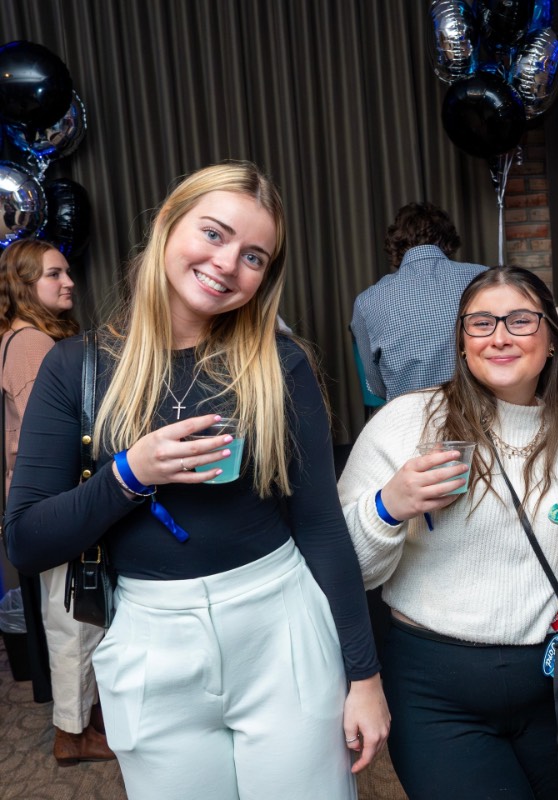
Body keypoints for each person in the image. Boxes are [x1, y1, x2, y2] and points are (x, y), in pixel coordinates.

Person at [5, 162, 390, 799]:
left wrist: (365, 676)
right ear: (167, 224)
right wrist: (130, 473)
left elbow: (321, 527)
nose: (227, 263)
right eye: (213, 234)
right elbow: (27, 541)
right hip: (151, 643)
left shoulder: (280, 365)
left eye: (254, 256)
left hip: (283, 631)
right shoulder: (76, 368)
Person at [339, 266, 558, 799]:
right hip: (436, 692)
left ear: (551, 339)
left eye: (520, 320)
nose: (500, 336)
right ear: (461, 342)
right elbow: (348, 571)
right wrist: (390, 506)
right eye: (480, 323)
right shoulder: (405, 423)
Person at [0, 239, 113, 764]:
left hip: (48, 500)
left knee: (71, 613)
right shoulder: (31, 344)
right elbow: (49, 436)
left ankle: (83, 719)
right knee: (73, 618)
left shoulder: (22, 337)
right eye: (53, 275)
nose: (68, 281)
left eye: (67, 271)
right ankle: (71, 733)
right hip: (54, 501)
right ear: (25, 286)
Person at [351, 201, 487, 401]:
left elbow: (377, 385)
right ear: (448, 239)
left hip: (407, 421)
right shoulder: (483, 277)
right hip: (480, 413)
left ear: (395, 243)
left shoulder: (366, 301)